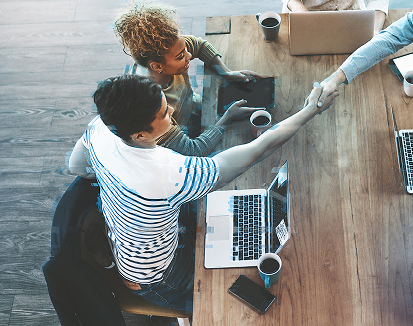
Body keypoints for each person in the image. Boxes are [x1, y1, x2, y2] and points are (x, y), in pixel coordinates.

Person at [67, 74, 338, 312]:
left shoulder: (100, 127)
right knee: (226, 303)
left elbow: (76, 167)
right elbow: (259, 150)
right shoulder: (168, 173)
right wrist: (311, 110)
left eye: (164, 103)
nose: (171, 111)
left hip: (131, 246)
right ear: (139, 135)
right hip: (159, 276)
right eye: (163, 114)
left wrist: (113, 179)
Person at [113, 0, 265, 156]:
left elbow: (199, 45)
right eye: (181, 56)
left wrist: (226, 72)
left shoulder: (169, 48)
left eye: (185, 49)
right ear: (157, 66)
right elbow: (192, 150)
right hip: (185, 143)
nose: (189, 56)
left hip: (197, 109)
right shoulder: (152, 107)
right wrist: (227, 119)